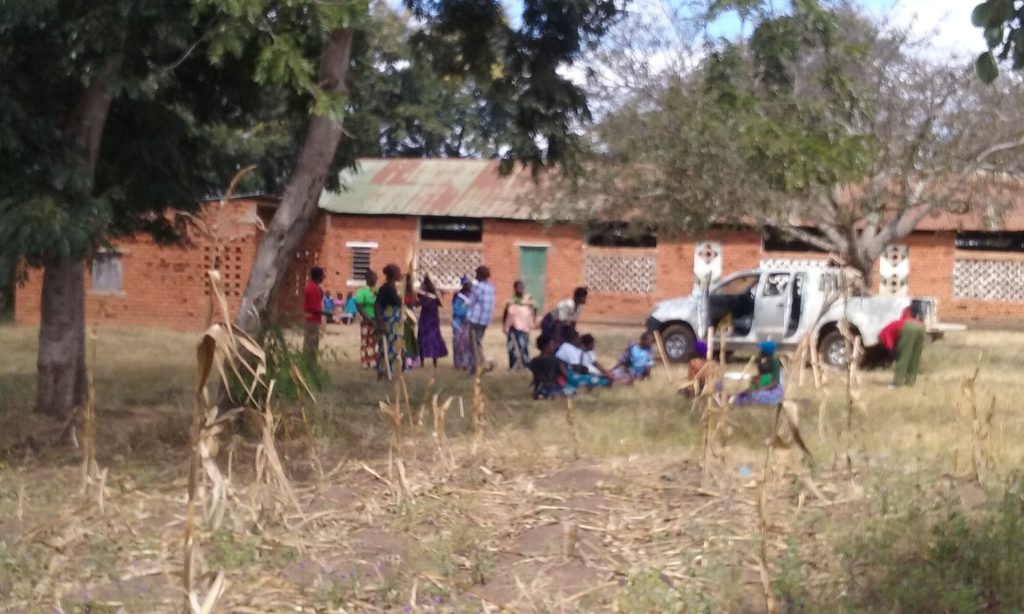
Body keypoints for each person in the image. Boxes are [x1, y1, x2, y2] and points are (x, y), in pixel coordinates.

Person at [879, 306, 925, 388]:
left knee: (903, 357)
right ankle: (910, 382)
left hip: (908, 328)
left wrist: (891, 349)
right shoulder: (898, 322)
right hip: (920, 326)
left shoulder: (882, 333)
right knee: (915, 357)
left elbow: (887, 338)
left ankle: (897, 383)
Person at [374, 264, 403, 380]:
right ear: (393, 274)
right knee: (386, 348)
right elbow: (377, 305)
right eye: (398, 272)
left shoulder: (392, 287)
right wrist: (380, 323)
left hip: (394, 322)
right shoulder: (387, 288)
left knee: (393, 348)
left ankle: (388, 372)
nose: (400, 274)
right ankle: (383, 373)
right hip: (388, 321)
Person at [466, 265, 496, 372]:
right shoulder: (491, 288)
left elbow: (471, 302)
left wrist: (467, 315)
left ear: (479, 275)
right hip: (485, 320)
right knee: (478, 341)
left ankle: (479, 365)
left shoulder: (477, 287)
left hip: (475, 319)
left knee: (474, 343)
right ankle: (481, 364)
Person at [735, 340, 784, 405]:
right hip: (763, 385)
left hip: (772, 390)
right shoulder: (763, 361)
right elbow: (761, 377)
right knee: (744, 394)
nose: (759, 352)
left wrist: (761, 389)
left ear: (766, 352)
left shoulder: (775, 363)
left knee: (754, 395)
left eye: (761, 350)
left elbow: (774, 382)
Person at [417, 274, 449, 367]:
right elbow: (420, 301)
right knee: (425, 338)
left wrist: (435, 294)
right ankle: (425, 361)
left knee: (431, 337)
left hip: (431, 318)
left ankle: (432, 361)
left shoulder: (436, 292)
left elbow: (440, 303)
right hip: (427, 318)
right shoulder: (423, 292)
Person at [503, 280, 536, 369]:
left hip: (525, 328)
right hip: (513, 328)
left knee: (524, 347)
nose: (520, 290)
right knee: (512, 348)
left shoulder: (528, 300)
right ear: (515, 289)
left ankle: (524, 365)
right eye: (518, 288)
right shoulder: (511, 301)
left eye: (522, 288)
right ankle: (513, 365)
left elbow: (534, 310)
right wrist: (504, 326)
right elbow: (506, 313)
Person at [529, 334, 569, 400]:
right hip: (553, 387)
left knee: (540, 393)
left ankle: (541, 395)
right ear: (546, 346)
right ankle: (553, 395)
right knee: (572, 391)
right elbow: (565, 375)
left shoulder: (534, 361)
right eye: (552, 344)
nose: (554, 346)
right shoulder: (555, 360)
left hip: (538, 388)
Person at [354, 272, 379, 369]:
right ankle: (365, 361)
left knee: (373, 340)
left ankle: (372, 360)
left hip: (376, 319)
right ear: (368, 279)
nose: (376, 280)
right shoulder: (362, 291)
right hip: (366, 319)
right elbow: (359, 307)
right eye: (374, 278)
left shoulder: (376, 290)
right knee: (365, 340)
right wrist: (368, 318)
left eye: (376, 278)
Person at [302, 267, 327, 363]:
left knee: (312, 342)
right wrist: (329, 313)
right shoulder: (312, 288)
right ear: (319, 276)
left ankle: (310, 362)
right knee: (310, 344)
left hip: (314, 319)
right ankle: (309, 363)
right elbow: (315, 309)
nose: (324, 277)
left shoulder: (314, 287)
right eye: (322, 275)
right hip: (312, 320)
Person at [451, 276, 475, 370]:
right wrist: (467, 311)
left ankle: (468, 363)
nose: (470, 286)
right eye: (468, 284)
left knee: (468, 343)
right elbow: (456, 309)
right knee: (458, 343)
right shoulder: (458, 296)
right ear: (463, 285)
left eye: (471, 284)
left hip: (469, 323)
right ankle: (459, 363)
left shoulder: (473, 295)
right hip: (458, 323)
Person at [402, 275, 420, 369]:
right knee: (405, 338)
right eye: (408, 281)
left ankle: (412, 359)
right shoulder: (401, 293)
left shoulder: (413, 293)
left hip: (411, 318)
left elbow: (416, 303)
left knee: (412, 337)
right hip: (404, 318)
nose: (410, 284)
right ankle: (406, 358)